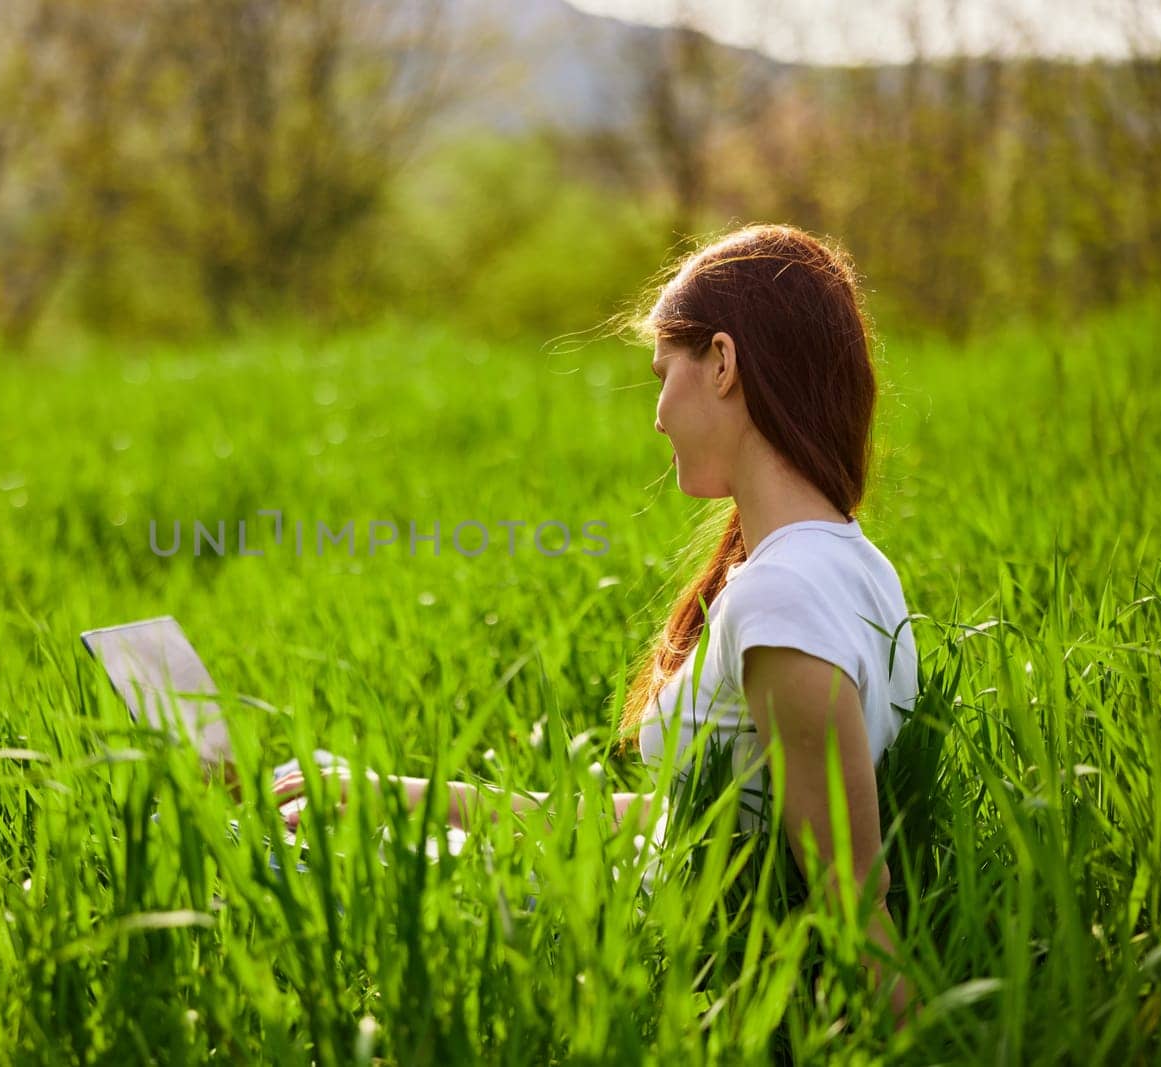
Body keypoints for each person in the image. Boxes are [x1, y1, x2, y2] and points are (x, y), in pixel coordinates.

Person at [271, 223, 921, 1029]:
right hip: (606, 904)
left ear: (723, 362)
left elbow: (854, 901)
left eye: (663, 375)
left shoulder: (785, 599)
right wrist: (395, 797)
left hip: (618, 952)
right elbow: (673, 825)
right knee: (273, 831)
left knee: (252, 857)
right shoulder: (854, 566)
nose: (656, 416)